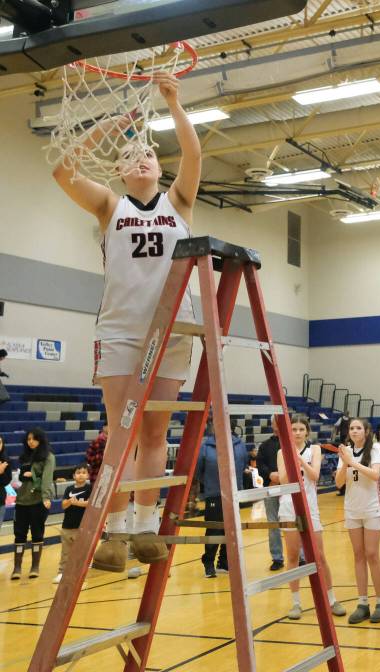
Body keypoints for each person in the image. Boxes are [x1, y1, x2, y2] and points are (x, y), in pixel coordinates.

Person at [52, 72, 200, 573]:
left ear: (160, 169)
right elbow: (63, 172)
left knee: (156, 433)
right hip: (119, 331)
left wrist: (174, 103)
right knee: (121, 432)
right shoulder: (109, 206)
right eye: (132, 156)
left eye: (150, 155)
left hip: (173, 332)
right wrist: (108, 126)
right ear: (117, 170)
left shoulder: (178, 203)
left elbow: (194, 155)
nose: (142, 159)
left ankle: (144, 525)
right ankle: (113, 533)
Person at [277, 416, 345, 620]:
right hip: (288, 507)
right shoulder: (282, 451)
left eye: (300, 429)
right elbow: (282, 479)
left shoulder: (314, 449)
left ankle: (331, 599)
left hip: (310, 507)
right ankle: (296, 603)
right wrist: (292, 458)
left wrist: (299, 461)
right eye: (294, 429)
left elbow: (315, 475)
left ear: (307, 432)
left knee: (320, 555)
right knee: (292, 557)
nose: (297, 432)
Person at [336, 418, 380, 624]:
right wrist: (345, 462)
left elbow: (375, 475)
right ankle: (362, 602)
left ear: (366, 431)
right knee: (357, 555)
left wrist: (351, 462)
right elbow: (339, 483)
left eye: (359, 428)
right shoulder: (347, 452)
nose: (355, 431)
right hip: (352, 509)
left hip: (372, 509)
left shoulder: (375, 448)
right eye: (352, 428)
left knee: (372, 554)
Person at [195, 422, 247, 579]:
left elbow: (243, 464)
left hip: (234, 493)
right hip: (214, 494)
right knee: (214, 528)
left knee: (230, 528)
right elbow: (199, 471)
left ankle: (224, 562)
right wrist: (212, 484)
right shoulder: (206, 447)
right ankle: (208, 562)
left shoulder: (239, 445)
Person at [11, 428, 55, 580]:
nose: (31, 442)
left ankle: (34, 566)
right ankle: (17, 567)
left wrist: (46, 497)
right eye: (28, 439)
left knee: (37, 534)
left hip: (37, 501)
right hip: (21, 501)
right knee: (19, 535)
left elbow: (47, 478)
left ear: (40, 440)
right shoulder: (24, 457)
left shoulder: (48, 457)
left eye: (34, 439)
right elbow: (17, 479)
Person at [54, 463, 92, 584]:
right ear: (74, 475)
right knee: (65, 552)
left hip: (83, 526)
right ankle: (61, 573)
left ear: (88, 475)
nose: (81, 475)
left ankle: (80, 574)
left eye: (84, 472)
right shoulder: (69, 489)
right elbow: (64, 505)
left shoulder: (90, 488)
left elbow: (89, 504)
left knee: (81, 552)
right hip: (67, 526)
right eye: (78, 473)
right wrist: (70, 501)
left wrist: (74, 503)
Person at [256, 431, 286, 570]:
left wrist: (284, 477)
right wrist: (270, 475)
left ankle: (301, 556)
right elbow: (260, 465)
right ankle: (277, 558)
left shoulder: (291, 442)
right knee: (273, 523)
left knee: (294, 521)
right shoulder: (265, 446)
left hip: (289, 487)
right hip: (271, 486)